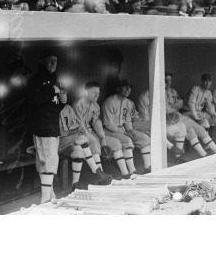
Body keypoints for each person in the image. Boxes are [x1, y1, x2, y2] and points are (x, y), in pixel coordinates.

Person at [26, 49, 67, 203]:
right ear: (42, 61)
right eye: (50, 60)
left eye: (55, 61)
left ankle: (49, 196)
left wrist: (62, 102)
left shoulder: (53, 80)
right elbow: (34, 101)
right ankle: (45, 200)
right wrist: (51, 90)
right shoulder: (35, 81)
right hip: (42, 128)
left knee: (48, 162)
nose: (53, 64)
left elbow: (53, 108)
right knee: (48, 162)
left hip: (52, 127)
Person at [73, 81, 135, 179]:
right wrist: (94, 137)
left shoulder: (95, 106)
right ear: (86, 92)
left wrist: (102, 137)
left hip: (91, 132)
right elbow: (80, 126)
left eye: (98, 93)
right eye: (94, 93)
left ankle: (125, 173)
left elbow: (96, 123)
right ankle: (100, 175)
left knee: (115, 142)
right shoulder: (78, 104)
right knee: (94, 142)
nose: (97, 95)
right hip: (79, 134)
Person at [101, 79, 152, 174]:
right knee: (127, 141)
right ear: (118, 89)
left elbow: (127, 119)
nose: (128, 90)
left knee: (144, 138)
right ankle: (132, 171)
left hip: (122, 129)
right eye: (125, 87)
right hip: (109, 131)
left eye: (130, 88)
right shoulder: (110, 102)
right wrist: (125, 132)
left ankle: (147, 167)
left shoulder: (128, 102)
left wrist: (130, 130)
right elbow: (108, 125)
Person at [58, 103, 113, 189]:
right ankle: (95, 170)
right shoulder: (51, 109)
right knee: (80, 138)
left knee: (78, 151)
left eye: (64, 94)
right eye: (59, 94)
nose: (62, 97)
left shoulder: (68, 108)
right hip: (57, 143)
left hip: (69, 142)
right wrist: (73, 133)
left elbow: (74, 126)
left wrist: (78, 129)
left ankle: (75, 184)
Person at [166, 73, 216, 156]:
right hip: (170, 118)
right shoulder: (158, 93)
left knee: (192, 130)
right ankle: (214, 151)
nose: (167, 82)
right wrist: (174, 106)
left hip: (178, 115)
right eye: (165, 80)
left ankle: (205, 154)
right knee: (194, 128)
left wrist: (172, 106)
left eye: (169, 80)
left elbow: (180, 104)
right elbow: (165, 109)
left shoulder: (173, 91)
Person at [186, 74, 216, 148]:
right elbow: (191, 103)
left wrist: (213, 114)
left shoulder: (208, 93)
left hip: (199, 113)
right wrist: (195, 115)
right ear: (202, 81)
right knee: (205, 122)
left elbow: (209, 107)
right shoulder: (195, 88)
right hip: (189, 112)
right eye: (205, 81)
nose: (207, 83)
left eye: (209, 81)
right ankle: (207, 144)